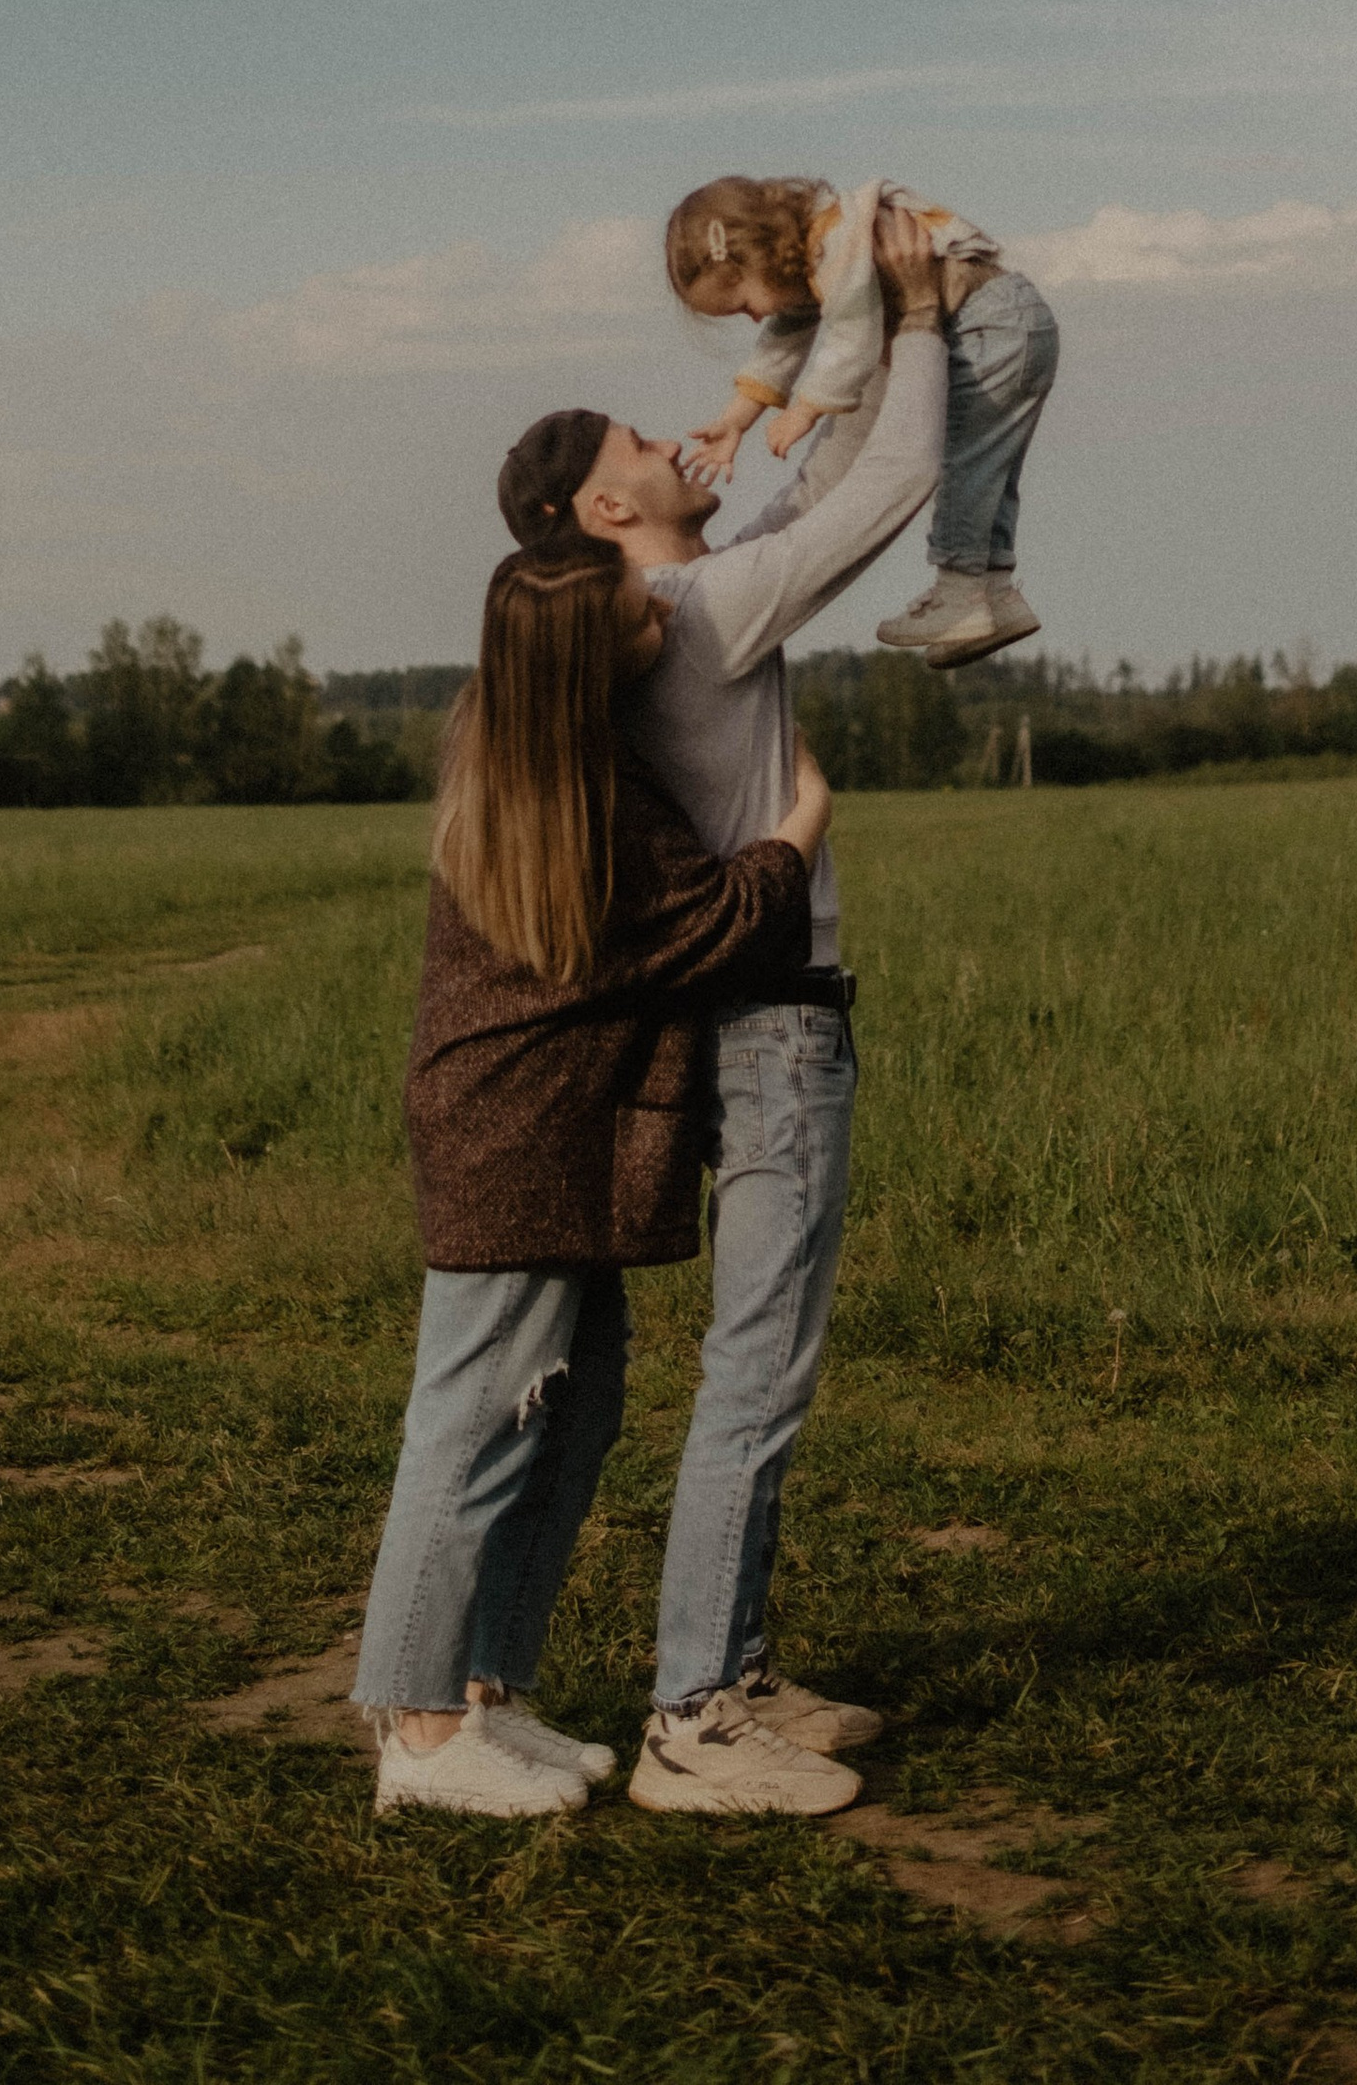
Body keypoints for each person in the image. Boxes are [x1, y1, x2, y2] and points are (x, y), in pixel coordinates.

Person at [495, 197, 948, 1813]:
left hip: (743, 1014)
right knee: (760, 1361)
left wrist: (828, 360)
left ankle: (736, 1669)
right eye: (648, 437)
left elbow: (815, 488)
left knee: (758, 1354)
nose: (681, 438)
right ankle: (696, 1716)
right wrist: (926, 318)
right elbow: (890, 492)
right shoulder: (698, 610)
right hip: (777, 1020)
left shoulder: (685, 605)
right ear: (607, 500)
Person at [351, 541, 834, 1819]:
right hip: (515, 1136)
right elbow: (710, 921)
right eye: (636, 620)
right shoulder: (575, 789)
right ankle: (413, 1724)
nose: (659, 625)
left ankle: (485, 1698)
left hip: (549, 1132)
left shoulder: (545, 755)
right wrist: (799, 827)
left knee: (565, 1410)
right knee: (470, 1428)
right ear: (584, 662)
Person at [664, 174, 1059, 671]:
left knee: (965, 465)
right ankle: (994, 592)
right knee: (988, 471)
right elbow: (783, 336)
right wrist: (735, 422)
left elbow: (852, 333)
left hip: (987, 324)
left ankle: (960, 592)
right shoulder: (815, 255)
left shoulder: (837, 246)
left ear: (749, 258)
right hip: (1008, 324)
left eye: (742, 304)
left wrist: (805, 409)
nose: (750, 318)